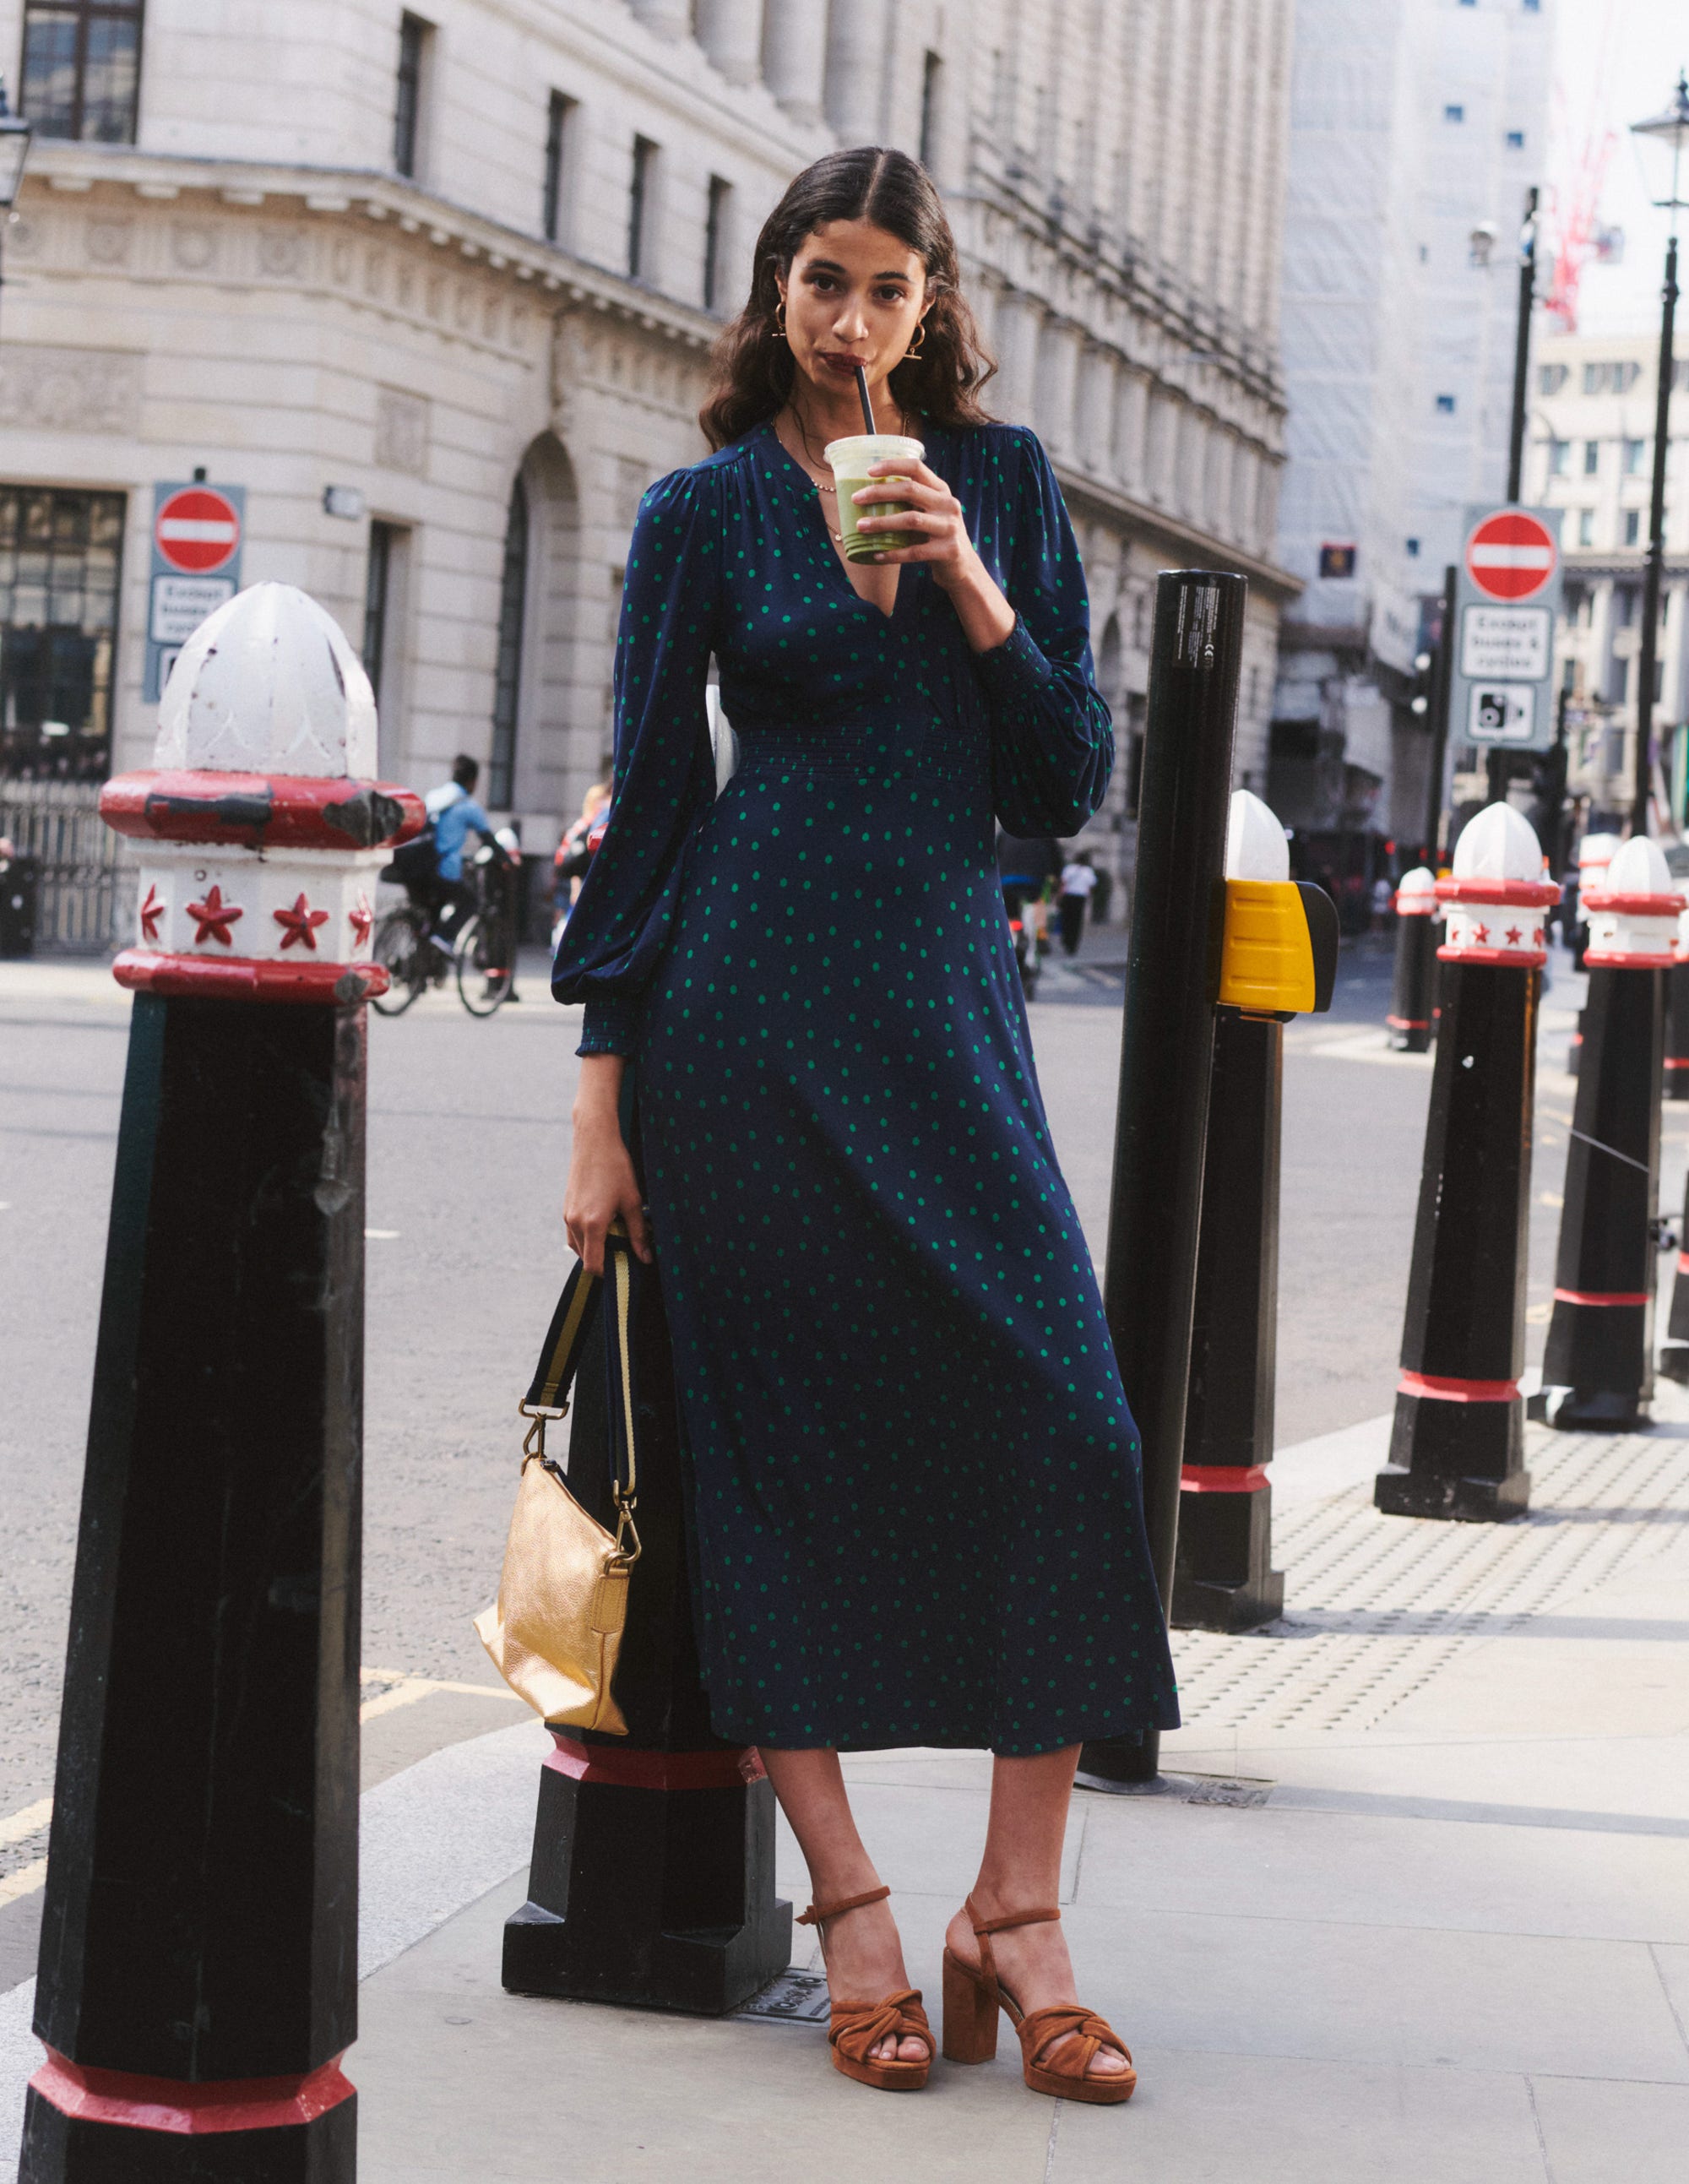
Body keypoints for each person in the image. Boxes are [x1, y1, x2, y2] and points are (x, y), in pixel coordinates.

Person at [554, 147, 1173, 2105]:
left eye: (885, 288)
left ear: (931, 306)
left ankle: (1018, 1907)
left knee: (1062, 1419)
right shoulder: (702, 509)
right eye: (820, 279)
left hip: (934, 1000)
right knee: (764, 1456)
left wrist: (974, 586)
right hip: (737, 1024)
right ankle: (855, 1914)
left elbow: (1066, 777)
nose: (848, 318)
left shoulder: (1001, 485)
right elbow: (649, 800)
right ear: (773, 289)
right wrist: (597, 1097)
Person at [422, 754, 496, 952]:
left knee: (429, 914)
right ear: (472, 781)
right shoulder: (468, 806)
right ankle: (444, 938)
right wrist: (507, 860)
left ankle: (422, 959)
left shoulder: (434, 797)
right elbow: (488, 839)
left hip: (419, 866)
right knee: (470, 901)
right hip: (443, 869)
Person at [551, 781, 611, 947]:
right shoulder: (592, 823)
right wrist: (576, 887)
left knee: (567, 916)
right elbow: (581, 860)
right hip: (576, 878)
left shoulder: (583, 823)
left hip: (569, 875)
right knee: (572, 918)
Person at [1056, 852, 1099, 956]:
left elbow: (1063, 883)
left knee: (1066, 919)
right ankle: (1073, 945)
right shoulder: (1088, 871)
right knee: (1077, 922)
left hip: (1069, 896)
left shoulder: (1069, 869)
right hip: (1080, 898)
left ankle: (1066, 940)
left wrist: (1059, 896)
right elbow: (1091, 886)